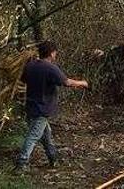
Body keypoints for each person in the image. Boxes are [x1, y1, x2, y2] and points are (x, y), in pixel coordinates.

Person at [16, 40, 89, 171]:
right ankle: (21, 163)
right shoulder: (50, 68)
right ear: (51, 53)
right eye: (55, 53)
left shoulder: (30, 66)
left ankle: (53, 158)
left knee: (46, 135)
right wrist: (82, 83)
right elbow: (66, 82)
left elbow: (24, 80)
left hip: (31, 107)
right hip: (41, 109)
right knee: (33, 136)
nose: (55, 55)